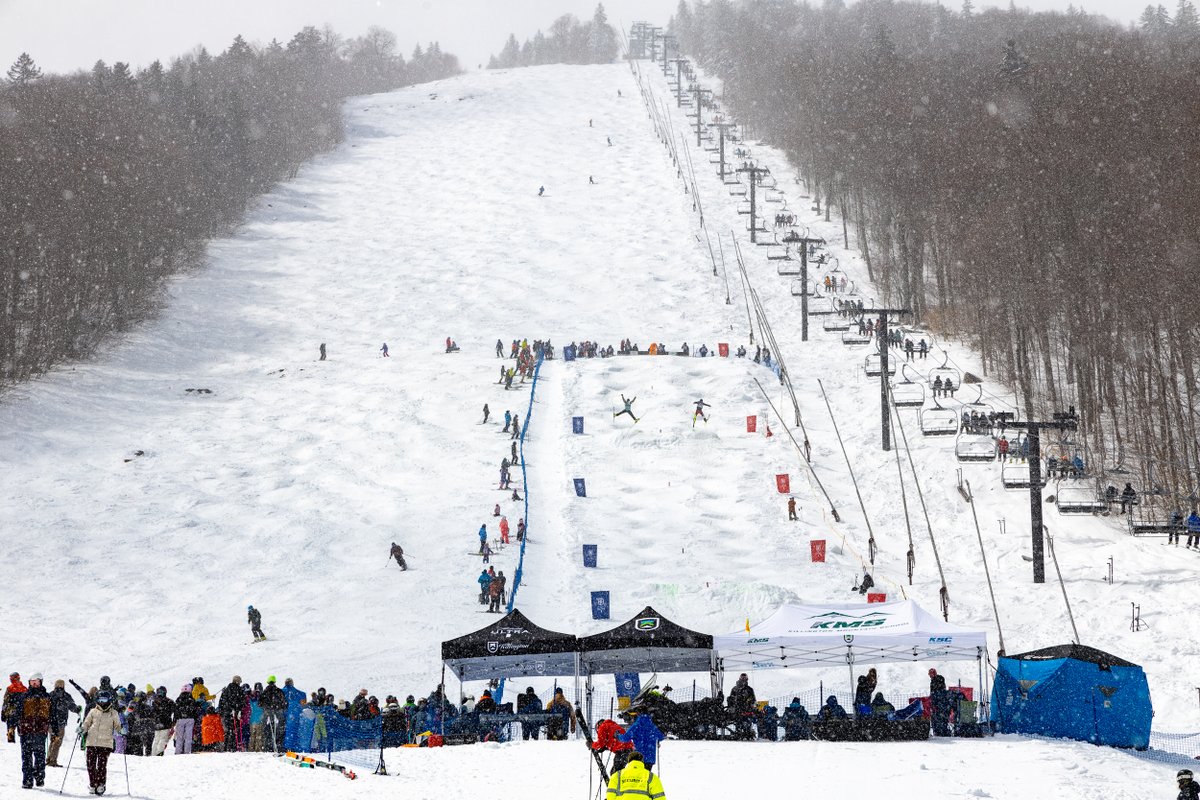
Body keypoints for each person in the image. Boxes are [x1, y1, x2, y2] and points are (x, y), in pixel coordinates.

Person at [15, 673, 51, 788]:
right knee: (26, 757)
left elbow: (52, 714)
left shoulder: (47, 697)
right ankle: (27, 780)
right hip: (26, 731)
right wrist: (15, 726)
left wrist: (54, 730)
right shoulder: (24, 696)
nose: (34, 684)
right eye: (32, 682)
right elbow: (17, 713)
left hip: (40, 732)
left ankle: (39, 777)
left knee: (40, 756)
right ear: (29, 683)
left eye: (36, 682)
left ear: (41, 682)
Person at [83, 691, 121, 795]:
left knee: (101, 765)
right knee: (90, 764)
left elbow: (117, 726)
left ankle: (101, 784)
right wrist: (82, 729)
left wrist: (120, 730)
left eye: (104, 700)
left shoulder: (113, 713)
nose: (102, 702)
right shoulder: (93, 711)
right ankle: (93, 784)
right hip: (92, 741)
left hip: (105, 743)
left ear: (109, 700)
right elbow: (87, 723)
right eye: (100, 700)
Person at [46, 679, 80, 767]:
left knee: (53, 740)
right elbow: (71, 706)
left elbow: (45, 707)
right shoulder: (65, 696)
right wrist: (77, 709)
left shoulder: (50, 695)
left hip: (50, 722)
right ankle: (52, 760)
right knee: (57, 741)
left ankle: (49, 758)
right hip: (61, 722)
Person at [260, 676, 287, 753]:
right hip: (278, 712)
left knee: (267, 730)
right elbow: (284, 703)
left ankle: (268, 747)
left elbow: (260, 703)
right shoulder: (279, 691)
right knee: (279, 730)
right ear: (274, 682)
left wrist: (266, 706)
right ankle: (278, 747)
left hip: (268, 713)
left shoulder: (265, 692)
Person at [219, 676, 246, 752]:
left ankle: (226, 747)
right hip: (235, 713)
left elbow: (222, 702)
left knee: (227, 731)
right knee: (234, 731)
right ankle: (233, 747)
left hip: (227, 713)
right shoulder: (239, 690)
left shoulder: (226, 690)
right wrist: (239, 710)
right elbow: (241, 701)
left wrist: (222, 712)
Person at [727, 673, 758, 739]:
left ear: (747, 679)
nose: (743, 679)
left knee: (747, 724)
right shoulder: (735, 689)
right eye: (742, 678)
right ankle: (740, 734)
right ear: (740, 678)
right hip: (738, 710)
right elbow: (730, 700)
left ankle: (747, 734)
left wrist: (751, 704)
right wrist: (732, 707)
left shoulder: (749, 689)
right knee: (739, 724)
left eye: (744, 678)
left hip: (747, 711)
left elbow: (753, 700)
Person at [173, 684, 198, 755]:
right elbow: (195, 710)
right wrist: (195, 719)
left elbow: (176, 710)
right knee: (188, 737)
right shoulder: (192, 699)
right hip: (190, 719)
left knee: (179, 737)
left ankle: (178, 751)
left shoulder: (178, 699)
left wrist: (175, 719)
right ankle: (187, 751)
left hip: (180, 719)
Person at [2, 671, 25, 743]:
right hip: (22, 714)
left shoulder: (9, 688)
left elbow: (6, 702)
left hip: (11, 714)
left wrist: (3, 713)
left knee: (11, 733)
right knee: (22, 734)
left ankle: (11, 742)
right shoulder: (24, 689)